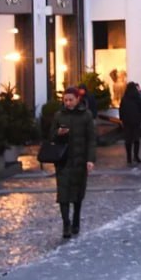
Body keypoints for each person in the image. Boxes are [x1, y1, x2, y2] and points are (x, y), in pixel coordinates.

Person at [51, 86, 96, 240]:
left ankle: (76, 218)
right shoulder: (59, 115)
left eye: (71, 100)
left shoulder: (86, 115)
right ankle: (66, 224)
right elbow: (50, 136)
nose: (68, 103)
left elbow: (91, 139)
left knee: (77, 194)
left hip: (80, 160)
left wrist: (90, 159)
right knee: (63, 194)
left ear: (77, 99)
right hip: (63, 161)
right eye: (65, 100)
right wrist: (58, 133)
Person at [119, 81, 141, 165]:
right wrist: (140, 118)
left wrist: (122, 119)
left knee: (128, 140)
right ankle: (136, 156)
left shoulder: (124, 98)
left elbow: (121, 109)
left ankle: (129, 157)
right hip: (136, 122)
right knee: (136, 139)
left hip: (127, 122)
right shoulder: (138, 98)